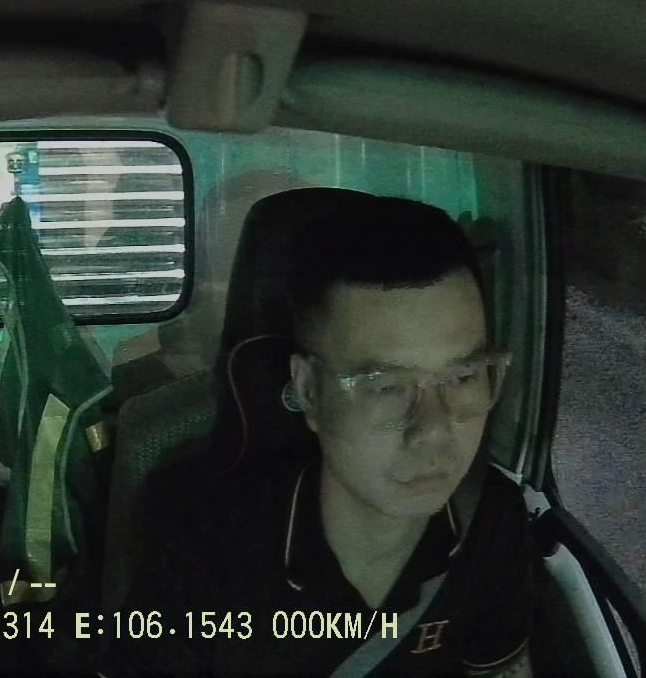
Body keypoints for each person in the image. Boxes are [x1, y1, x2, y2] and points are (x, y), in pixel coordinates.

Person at [103, 194, 534, 677]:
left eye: (463, 376)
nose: (433, 431)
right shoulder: (204, 546)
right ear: (309, 391)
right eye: (385, 386)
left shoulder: (491, 520)